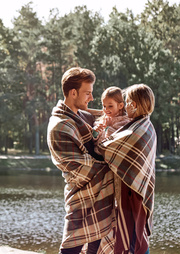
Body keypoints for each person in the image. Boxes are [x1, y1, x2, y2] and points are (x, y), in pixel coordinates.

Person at [47, 67, 116, 254]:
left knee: (96, 245)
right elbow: (79, 168)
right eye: (88, 93)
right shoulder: (59, 127)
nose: (91, 98)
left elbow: (105, 117)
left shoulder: (81, 115)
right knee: (70, 248)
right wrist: (113, 167)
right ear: (73, 92)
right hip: (81, 194)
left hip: (98, 194)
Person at [96, 84, 157, 254]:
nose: (125, 105)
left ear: (134, 105)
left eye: (128, 101)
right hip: (133, 188)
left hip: (132, 191)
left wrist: (98, 137)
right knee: (133, 235)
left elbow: (107, 148)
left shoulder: (139, 128)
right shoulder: (142, 124)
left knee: (134, 238)